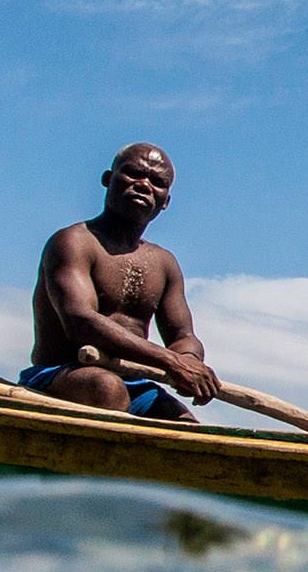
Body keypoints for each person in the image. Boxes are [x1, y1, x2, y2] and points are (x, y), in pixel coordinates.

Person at [20, 142, 218, 418]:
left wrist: (188, 361)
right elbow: (80, 321)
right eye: (133, 173)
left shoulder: (164, 263)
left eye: (157, 182)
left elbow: (183, 336)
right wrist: (169, 361)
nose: (144, 185)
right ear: (108, 179)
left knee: (183, 422)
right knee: (107, 388)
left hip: (131, 381)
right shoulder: (74, 242)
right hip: (61, 375)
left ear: (166, 201)